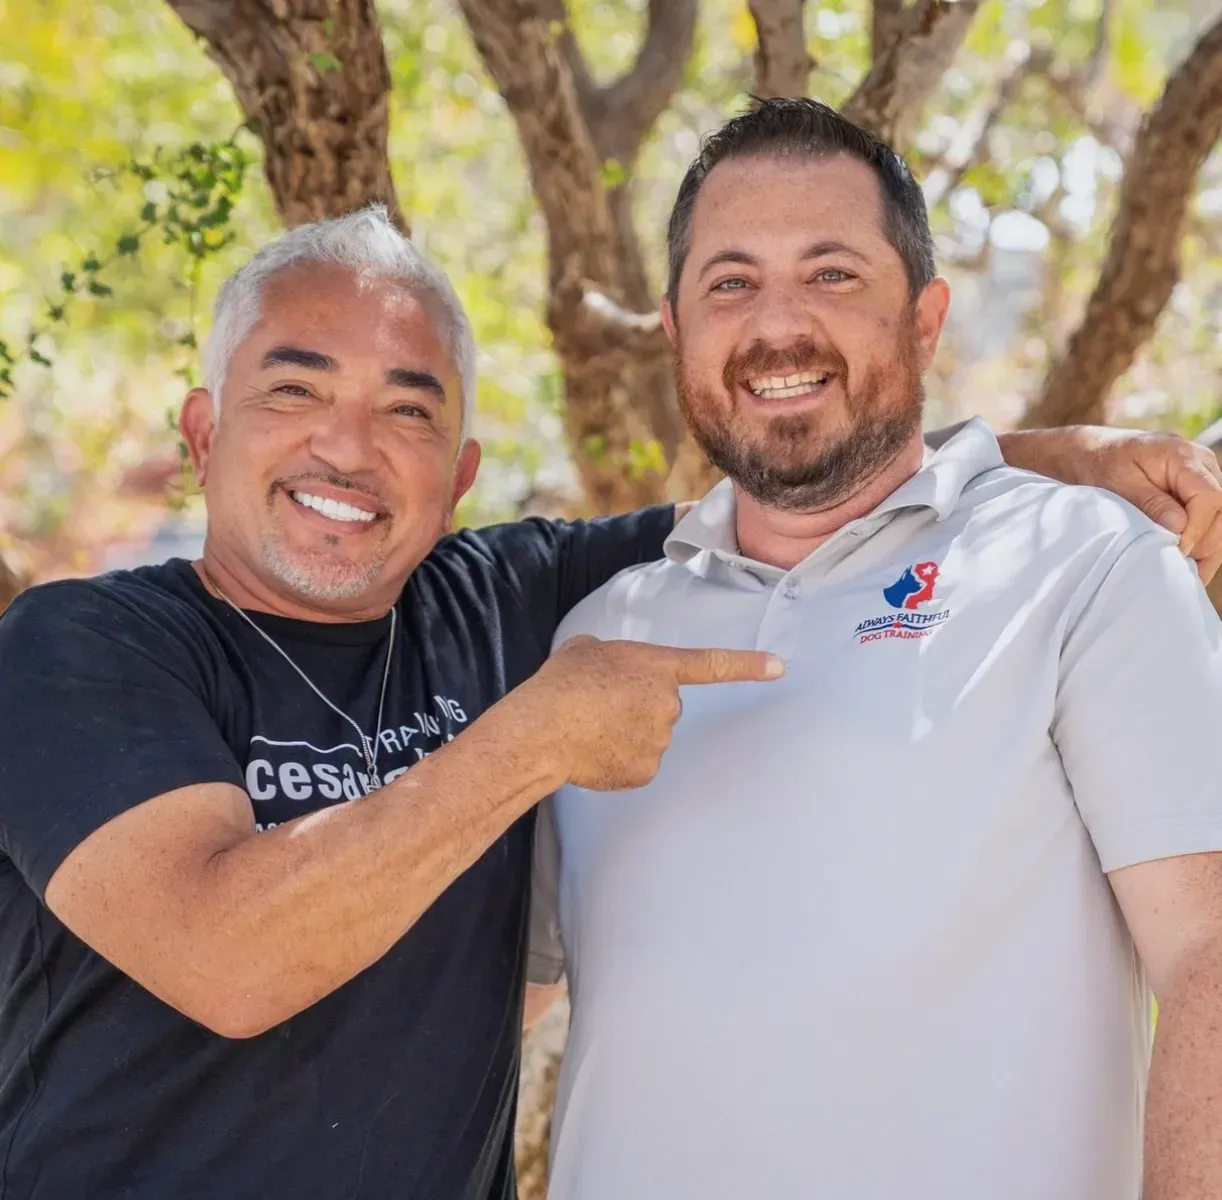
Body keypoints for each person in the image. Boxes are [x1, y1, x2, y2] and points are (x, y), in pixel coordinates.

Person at [0, 211, 1213, 1200]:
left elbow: (810, 485)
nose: (349, 449)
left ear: (460, 473)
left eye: (409, 410)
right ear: (202, 432)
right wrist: (522, 745)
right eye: (294, 392)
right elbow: (228, 959)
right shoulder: (77, 648)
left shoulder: (509, 600)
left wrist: (1071, 457)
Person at [528, 98, 1222, 1200]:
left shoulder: (1082, 565)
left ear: (925, 321)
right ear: (675, 329)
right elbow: (484, 1009)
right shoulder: (597, 633)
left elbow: (1207, 959)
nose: (777, 324)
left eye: (832, 274)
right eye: (730, 281)